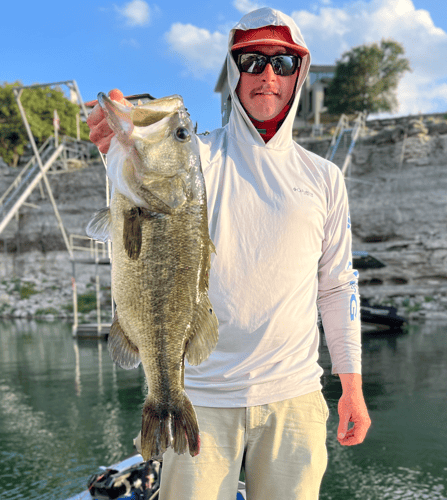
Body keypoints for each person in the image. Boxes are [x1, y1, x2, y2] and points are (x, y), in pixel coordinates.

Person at [87, 7, 371, 500]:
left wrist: (353, 385)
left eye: (281, 63)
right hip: (199, 395)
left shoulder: (325, 178)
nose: (266, 75)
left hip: (296, 396)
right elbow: (144, 185)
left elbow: (338, 285)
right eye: (252, 60)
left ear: (299, 74)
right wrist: (115, 146)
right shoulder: (195, 157)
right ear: (234, 71)